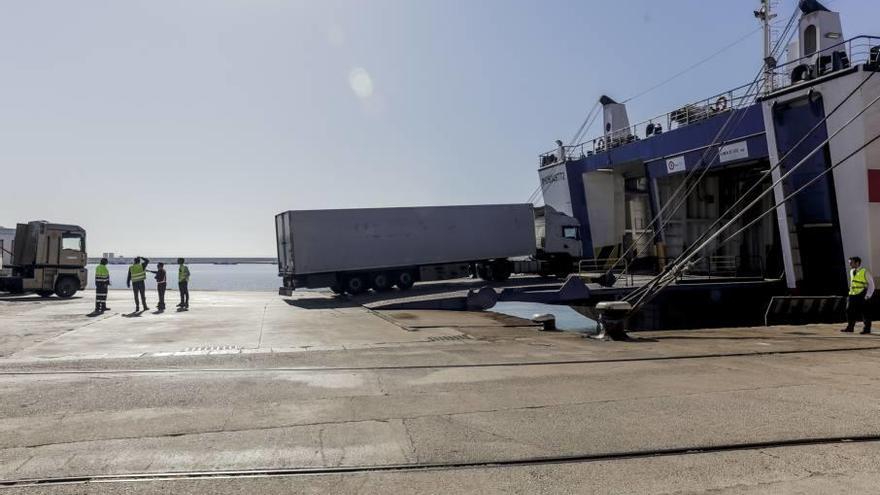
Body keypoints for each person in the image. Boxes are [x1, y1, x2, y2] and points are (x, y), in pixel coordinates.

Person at [841, 256, 874, 334]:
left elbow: (872, 285)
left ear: (857, 263)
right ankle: (850, 327)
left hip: (862, 294)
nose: (850, 264)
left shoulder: (864, 271)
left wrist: (868, 295)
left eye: (851, 263)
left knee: (865, 312)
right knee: (849, 310)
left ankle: (867, 329)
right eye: (849, 263)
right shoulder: (851, 271)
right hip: (852, 294)